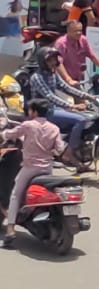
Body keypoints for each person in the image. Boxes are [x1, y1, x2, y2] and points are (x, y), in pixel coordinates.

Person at [2, 99, 66, 247]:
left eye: (30, 110)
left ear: (35, 112)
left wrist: (3, 134)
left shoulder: (28, 125)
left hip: (30, 168)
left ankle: (10, 229)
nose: (29, 112)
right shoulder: (54, 128)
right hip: (47, 168)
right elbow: (59, 149)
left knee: (15, 194)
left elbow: (11, 134)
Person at [28, 47, 95, 170]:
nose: (53, 62)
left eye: (54, 59)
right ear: (43, 61)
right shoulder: (36, 78)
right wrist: (71, 106)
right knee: (81, 120)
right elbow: (50, 96)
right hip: (44, 112)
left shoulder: (53, 74)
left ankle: (74, 156)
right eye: (50, 60)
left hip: (54, 109)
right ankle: (68, 154)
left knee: (87, 119)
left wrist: (89, 96)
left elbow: (66, 87)